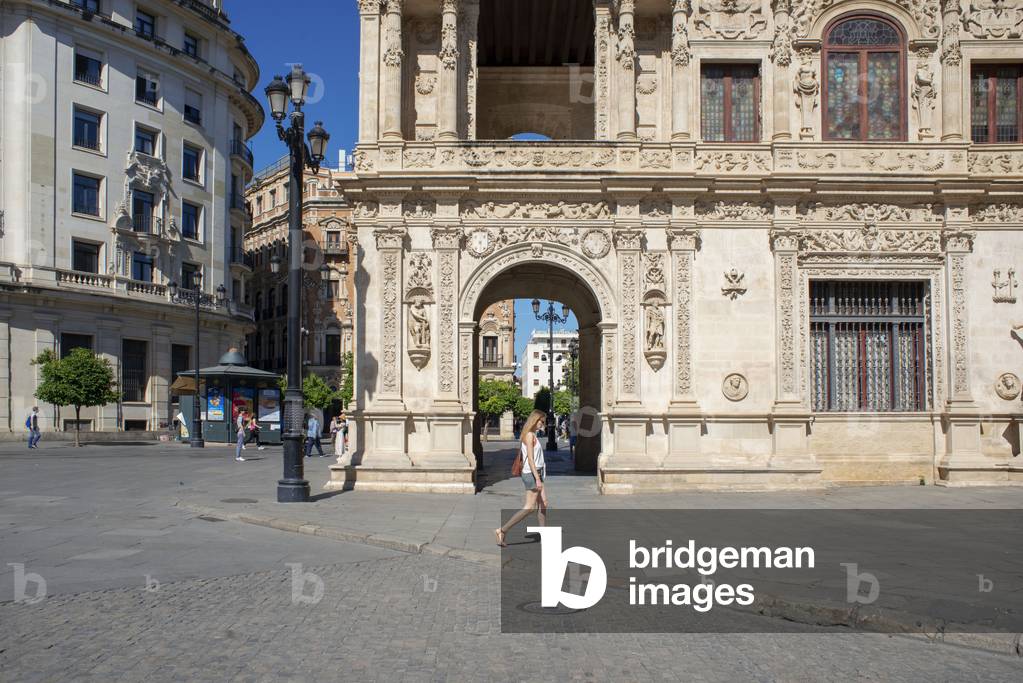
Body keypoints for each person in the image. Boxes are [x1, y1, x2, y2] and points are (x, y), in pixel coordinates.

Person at [495, 409, 549, 547]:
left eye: (543, 422)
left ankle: (544, 536)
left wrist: (540, 476)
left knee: (544, 504)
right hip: (532, 474)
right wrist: (537, 478)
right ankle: (502, 530)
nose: (542, 425)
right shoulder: (529, 435)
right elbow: (530, 459)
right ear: (534, 420)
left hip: (538, 473)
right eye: (541, 422)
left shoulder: (533, 435)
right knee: (529, 507)